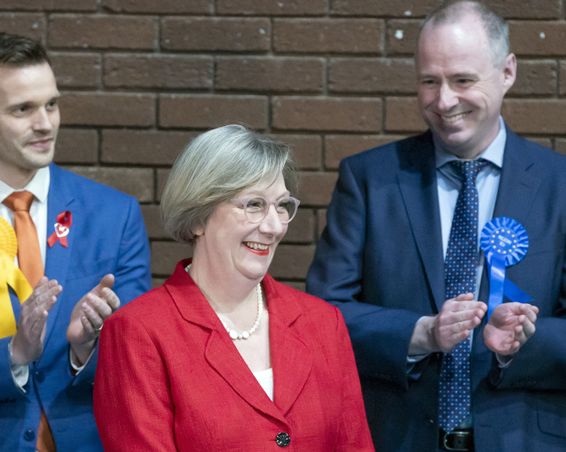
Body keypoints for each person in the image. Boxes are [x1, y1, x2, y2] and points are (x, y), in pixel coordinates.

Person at [307, 1, 565, 451]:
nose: (444, 101)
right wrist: (421, 333)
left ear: (507, 72)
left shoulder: (559, 185)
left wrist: (523, 341)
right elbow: (321, 313)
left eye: (463, 80)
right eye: (430, 81)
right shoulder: (370, 179)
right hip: (396, 437)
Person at [93, 124, 374, 451]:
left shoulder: (324, 323)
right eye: (254, 204)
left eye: (282, 206)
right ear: (198, 217)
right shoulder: (138, 332)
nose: (273, 226)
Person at [0, 32, 151, 451]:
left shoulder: (116, 215)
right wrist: (11, 354)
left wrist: (85, 348)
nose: (45, 123)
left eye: (51, 104)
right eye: (23, 109)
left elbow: (140, 367)